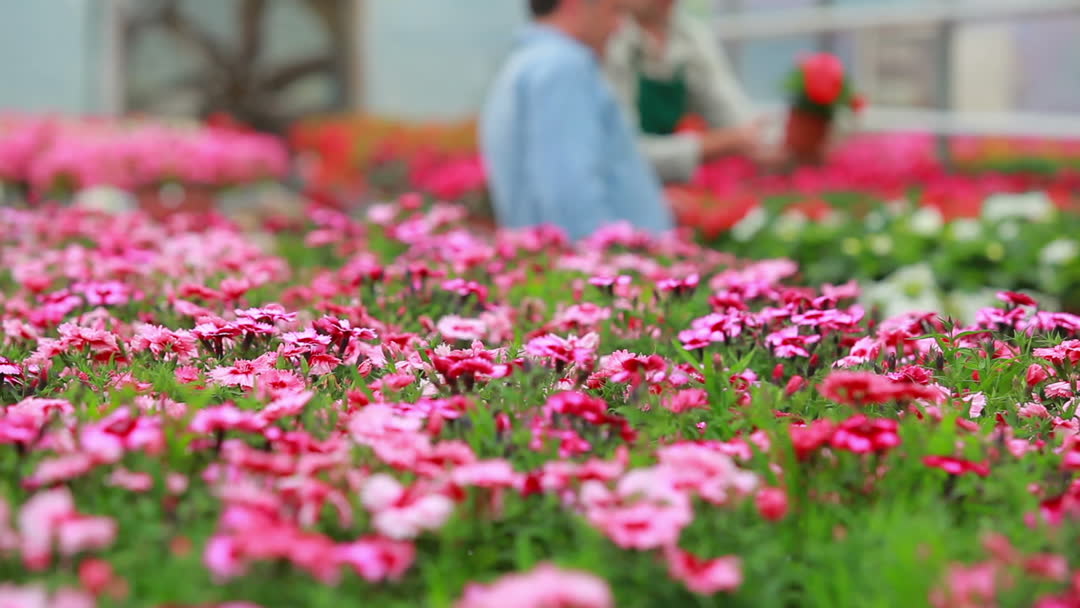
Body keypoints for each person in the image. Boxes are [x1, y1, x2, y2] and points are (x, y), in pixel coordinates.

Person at [480, 0, 674, 241]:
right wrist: (607, 257)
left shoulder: (530, 62)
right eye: (614, 10)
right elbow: (570, 195)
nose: (619, 27)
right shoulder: (563, 68)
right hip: (606, 261)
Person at [605, 0, 782, 183]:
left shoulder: (689, 36)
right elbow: (624, 152)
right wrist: (714, 144)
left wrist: (762, 139)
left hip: (673, 187)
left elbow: (732, 113)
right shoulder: (610, 41)